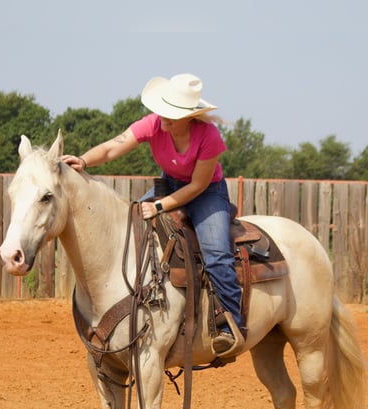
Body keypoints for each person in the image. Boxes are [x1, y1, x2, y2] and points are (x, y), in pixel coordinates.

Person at [62, 73, 243, 357]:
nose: (163, 116)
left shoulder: (208, 137)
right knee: (132, 228)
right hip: (169, 183)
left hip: (207, 193)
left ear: (189, 116)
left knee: (216, 252)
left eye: (172, 112)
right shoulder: (153, 125)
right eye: (163, 108)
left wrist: (160, 206)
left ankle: (230, 324)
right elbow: (112, 147)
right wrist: (84, 160)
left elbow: (198, 185)